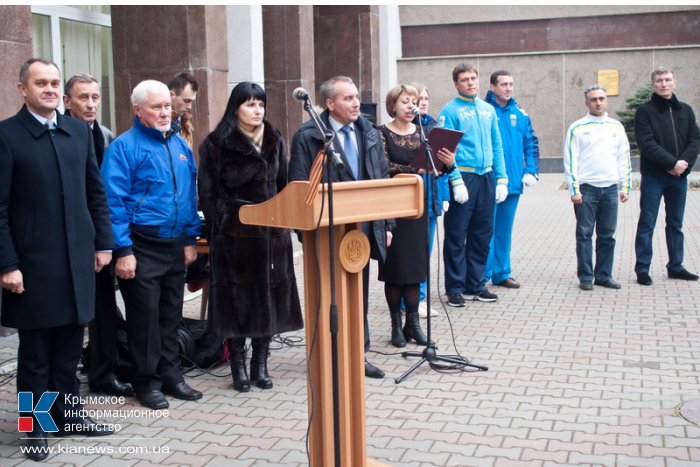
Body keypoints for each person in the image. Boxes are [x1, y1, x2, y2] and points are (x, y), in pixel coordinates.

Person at [0, 58, 114, 461]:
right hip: (32, 267)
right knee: (35, 357)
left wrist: (104, 244)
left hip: (77, 261)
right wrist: (7, 264)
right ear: (22, 89)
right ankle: (35, 429)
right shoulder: (7, 136)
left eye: (53, 82)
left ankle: (67, 414)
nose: (49, 89)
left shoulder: (77, 133)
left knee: (68, 350)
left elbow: (95, 194)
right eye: (40, 83)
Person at [101, 80, 202, 410]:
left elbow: (188, 196)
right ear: (137, 110)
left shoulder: (181, 146)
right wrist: (123, 250)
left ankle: (172, 375)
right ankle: (146, 381)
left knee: (171, 314)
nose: (164, 112)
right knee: (144, 318)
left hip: (175, 243)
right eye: (156, 107)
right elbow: (112, 202)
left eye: (166, 106)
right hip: (140, 244)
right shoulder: (123, 148)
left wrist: (189, 240)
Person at [198, 82, 303, 392]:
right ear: (235, 108)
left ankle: (261, 362)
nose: (258, 110)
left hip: (271, 236)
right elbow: (207, 193)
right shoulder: (216, 144)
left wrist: (284, 224)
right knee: (237, 302)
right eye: (250, 104)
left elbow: (283, 184)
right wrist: (223, 226)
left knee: (267, 299)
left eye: (261, 104)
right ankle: (238, 365)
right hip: (235, 237)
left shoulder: (275, 140)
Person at [289, 75, 393, 379]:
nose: (356, 103)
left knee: (356, 293)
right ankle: (328, 355)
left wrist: (386, 223)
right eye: (348, 98)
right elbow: (297, 185)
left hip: (360, 229)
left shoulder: (368, 132)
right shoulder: (308, 135)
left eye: (356, 96)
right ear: (329, 103)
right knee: (328, 293)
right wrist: (304, 232)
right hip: (325, 231)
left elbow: (381, 179)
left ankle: (359, 354)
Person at [63, 72, 133, 398]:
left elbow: (104, 194)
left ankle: (103, 374)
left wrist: (109, 242)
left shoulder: (105, 135)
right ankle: (60, 388)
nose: (90, 104)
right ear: (68, 102)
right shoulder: (60, 134)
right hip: (65, 242)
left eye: (95, 97)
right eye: (83, 98)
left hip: (100, 240)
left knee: (104, 310)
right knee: (69, 319)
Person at [379, 84, 454, 348]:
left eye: (414, 102)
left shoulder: (426, 133)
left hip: (419, 207)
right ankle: (395, 326)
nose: (411, 106)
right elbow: (384, 167)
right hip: (392, 208)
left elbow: (437, 169)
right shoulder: (381, 133)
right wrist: (415, 169)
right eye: (405, 102)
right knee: (394, 270)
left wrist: (448, 161)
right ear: (393, 106)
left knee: (414, 268)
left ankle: (414, 324)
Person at [438, 63, 508, 307]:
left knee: (482, 234)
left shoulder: (488, 110)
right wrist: (455, 181)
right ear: (456, 84)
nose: (470, 83)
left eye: (473, 78)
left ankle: (476, 284)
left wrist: (502, 178)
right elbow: (444, 150)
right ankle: (455, 287)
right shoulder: (450, 111)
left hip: (486, 177)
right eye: (464, 79)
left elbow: (496, 145)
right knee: (457, 235)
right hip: (464, 178)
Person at [634, 67, 700, 285]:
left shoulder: (686, 111)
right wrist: (672, 163)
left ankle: (676, 266)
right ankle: (642, 269)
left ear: (674, 83)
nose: (664, 84)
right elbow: (647, 143)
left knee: (675, 224)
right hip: (654, 177)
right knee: (647, 223)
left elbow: (694, 140)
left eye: (668, 80)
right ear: (654, 84)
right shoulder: (645, 111)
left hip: (679, 178)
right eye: (660, 80)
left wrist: (682, 166)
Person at [563, 85, 631, 291]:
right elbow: (570, 159)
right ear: (587, 102)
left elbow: (623, 156)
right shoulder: (577, 128)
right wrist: (574, 189)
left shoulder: (616, 127)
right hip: (587, 189)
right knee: (584, 234)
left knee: (607, 235)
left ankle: (604, 275)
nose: (598, 102)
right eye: (593, 99)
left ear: (606, 100)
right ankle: (586, 276)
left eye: (602, 98)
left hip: (610, 188)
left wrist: (625, 186)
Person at [484, 70, 540, 289]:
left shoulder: (520, 113)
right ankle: (482, 273)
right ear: (492, 87)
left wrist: (531, 170)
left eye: (511, 84)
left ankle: (501, 272)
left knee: (504, 230)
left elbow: (531, 143)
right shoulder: (485, 111)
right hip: (490, 181)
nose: (508, 88)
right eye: (503, 84)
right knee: (486, 230)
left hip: (514, 182)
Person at [407, 82, 455, 318]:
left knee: (426, 252)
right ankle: (411, 301)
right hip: (411, 200)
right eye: (417, 99)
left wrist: (445, 195)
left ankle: (422, 298)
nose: (423, 103)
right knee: (412, 254)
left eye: (425, 98)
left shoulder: (436, 127)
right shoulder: (406, 128)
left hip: (432, 198)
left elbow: (442, 168)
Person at [168, 71, 199, 149]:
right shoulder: (157, 122)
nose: (190, 107)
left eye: (191, 101)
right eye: (186, 101)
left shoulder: (186, 123)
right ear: (171, 95)